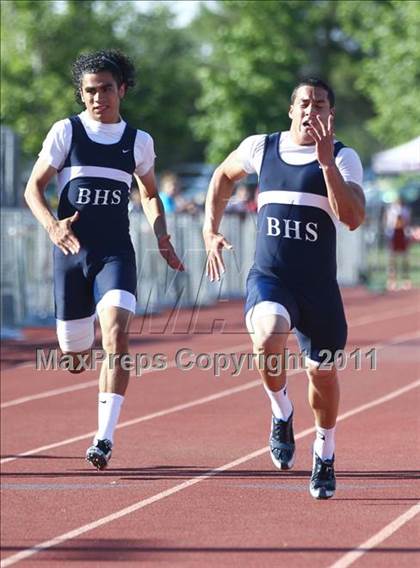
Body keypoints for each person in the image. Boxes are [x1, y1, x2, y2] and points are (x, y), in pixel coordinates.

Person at [203, 78, 365, 499]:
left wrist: (326, 164)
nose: (312, 111)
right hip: (271, 277)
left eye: (321, 105)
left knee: (323, 374)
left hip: (318, 288)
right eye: (305, 103)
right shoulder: (262, 147)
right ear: (291, 109)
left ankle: (324, 452)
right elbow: (222, 176)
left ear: (331, 114)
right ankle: (281, 412)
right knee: (269, 331)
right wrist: (210, 230)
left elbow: (353, 218)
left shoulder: (345, 158)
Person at [24, 50, 184, 470]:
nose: (99, 98)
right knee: (76, 359)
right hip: (71, 256)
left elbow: (149, 193)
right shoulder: (66, 133)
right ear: (82, 94)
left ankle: (103, 438)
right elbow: (33, 190)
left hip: (115, 254)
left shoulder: (138, 142)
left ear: (122, 90)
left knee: (116, 333)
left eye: (107, 89)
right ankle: (82, 345)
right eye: (91, 91)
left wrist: (162, 235)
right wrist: (53, 227)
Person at [385, 197, 412, 290]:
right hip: (394, 235)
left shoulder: (405, 210)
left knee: (405, 259)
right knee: (393, 260)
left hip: (402, 235)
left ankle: (406, 280)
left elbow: (407, 223)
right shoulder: (391, 211)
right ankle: (392, 281)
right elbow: (388, 223)